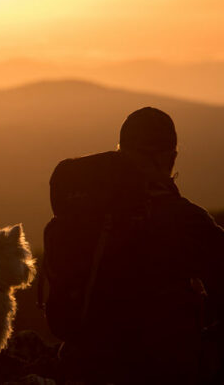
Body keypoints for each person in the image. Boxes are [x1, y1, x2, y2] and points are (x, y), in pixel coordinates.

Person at [43, 107, 224, 383]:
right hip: (158, 370)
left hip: (82, 366)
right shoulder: (184, 219)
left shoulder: (84, 210)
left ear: (120, 151)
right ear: (170, 158)